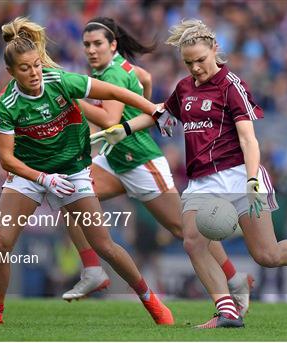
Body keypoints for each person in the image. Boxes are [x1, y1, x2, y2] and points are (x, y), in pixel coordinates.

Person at [90, 19, 287, 329]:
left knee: (267, 255)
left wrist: (252, 179)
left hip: (240, 175)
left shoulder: (231, 86)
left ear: (215, 49)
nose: (196, 68)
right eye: (189, 63)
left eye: (200, 60)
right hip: (202, 181)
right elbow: (162, 113)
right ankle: (227, 312)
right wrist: (124, 129)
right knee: (192, 241)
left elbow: (248, 139)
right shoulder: (185, 87)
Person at [0, 17, 174, 326]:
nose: (35, 73)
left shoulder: (60, 80)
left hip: (72, 171)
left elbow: (115, 94)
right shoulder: (7, 104)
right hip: (30, 173)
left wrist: (153, 110)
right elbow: (7, 160)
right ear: (11, 72)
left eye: (37, 65)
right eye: (25, 69)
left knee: (104, 244)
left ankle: (152, 302)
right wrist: (42, 178)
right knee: (0, 242)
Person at [60, 17, 254, 317]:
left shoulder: (112, 74)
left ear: (113, 45)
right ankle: (92, 269)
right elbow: (145, 77)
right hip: (114, 159)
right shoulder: (120, 68)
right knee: (71, 194)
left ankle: (233, 277)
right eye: (86, 44)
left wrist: (70, 100)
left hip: (142, 162)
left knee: (184, 229)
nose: (91, 50)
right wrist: (144, 106)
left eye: (97, 43)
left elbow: (110, 120)